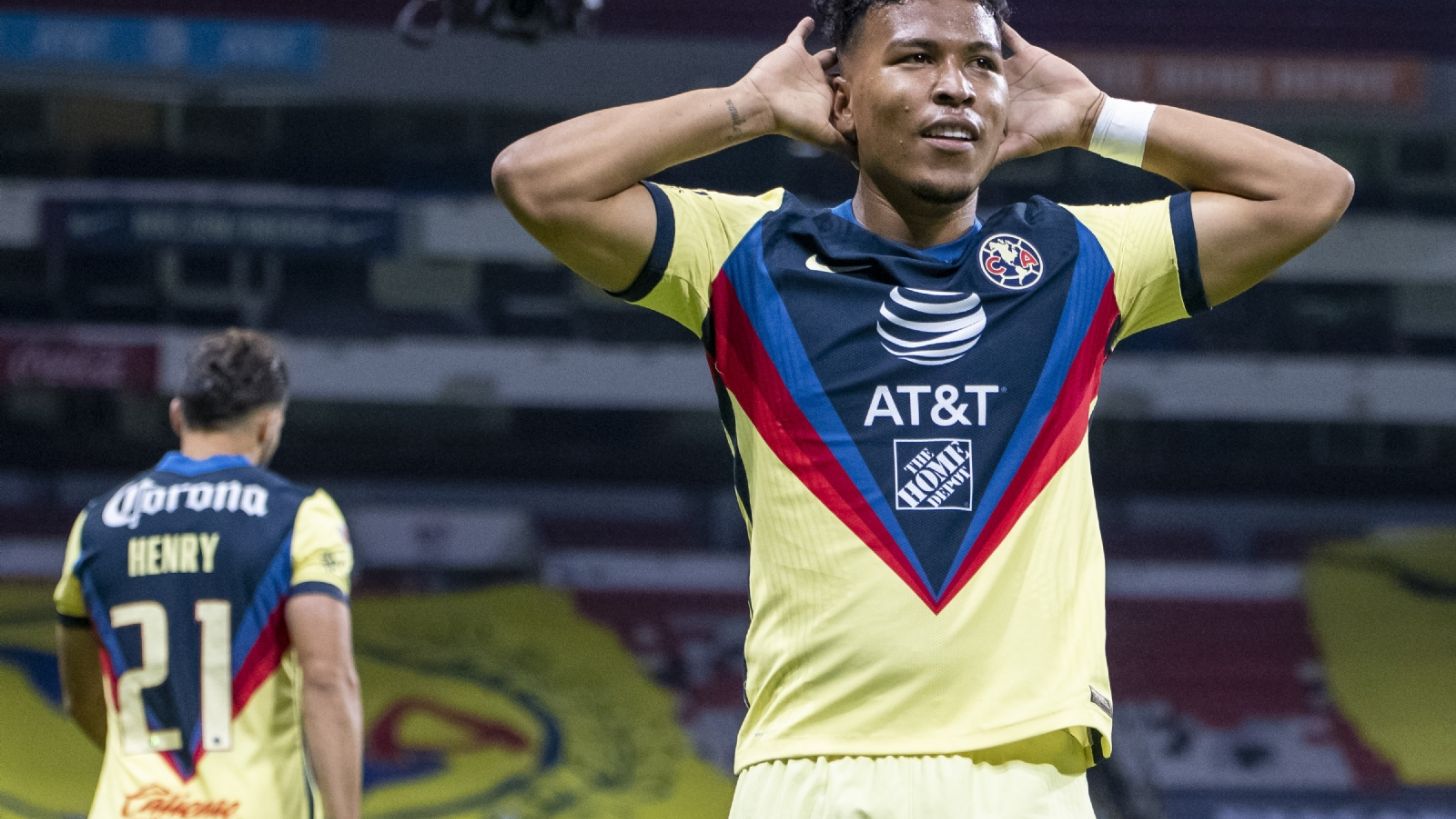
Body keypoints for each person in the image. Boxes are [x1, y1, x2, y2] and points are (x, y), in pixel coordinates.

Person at [492, 0, 1353, 814]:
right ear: (841, 97)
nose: (955, 86)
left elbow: (1309, 191)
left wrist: (1097, 118)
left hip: (1028, 779)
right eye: (915, 57)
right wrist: (745, 107)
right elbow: (539, 182)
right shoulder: (744, 255)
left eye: (982, 63)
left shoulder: (1080, 258)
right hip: (812, 772)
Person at [54, 328, 362, 819]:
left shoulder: (95, 524)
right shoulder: (302, 518)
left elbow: (81, 698)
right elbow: (327, 680)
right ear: (267, 426)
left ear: (177, 415)